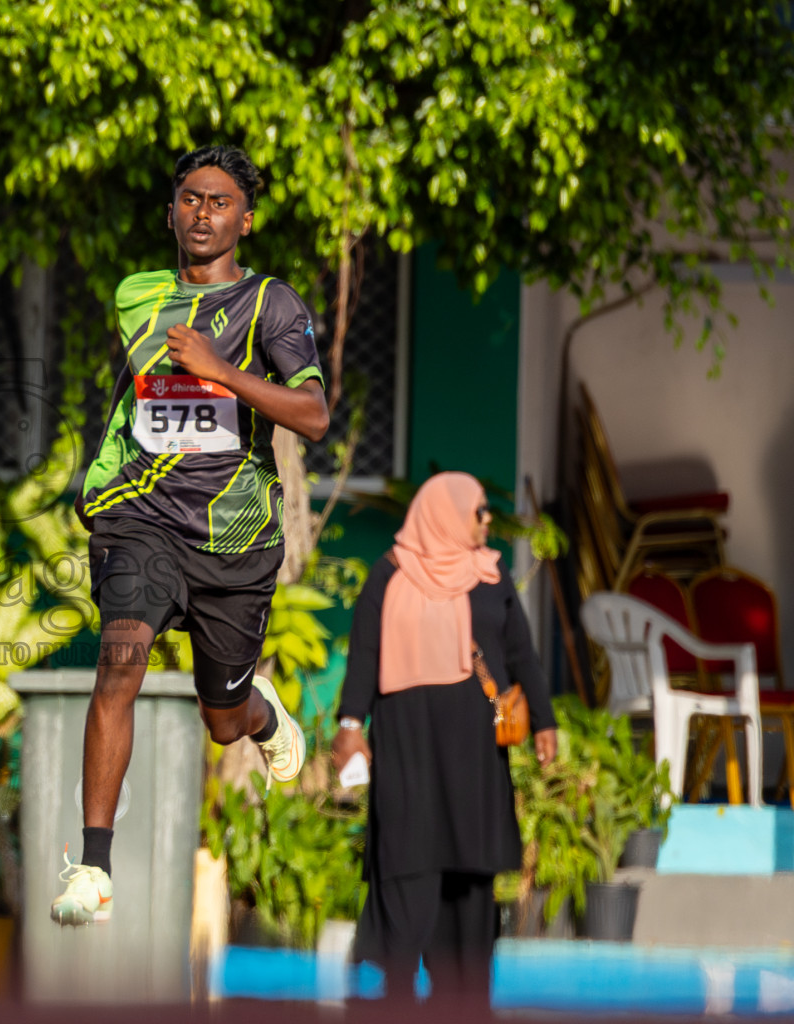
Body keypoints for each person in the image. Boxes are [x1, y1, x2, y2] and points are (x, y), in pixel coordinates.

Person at [51, 145, 330, 926]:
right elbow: (134, 393)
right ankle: (94, 869)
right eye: (190, 199)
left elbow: (312, 416)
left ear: (247, 217)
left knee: (220, 722)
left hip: (234, 537)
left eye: (220, 202)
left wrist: (219, 368)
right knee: (119, 667)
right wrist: (101, 483)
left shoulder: (273, 304)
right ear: (171, 211)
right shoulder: (138, 295)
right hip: (142, 517)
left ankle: (258, 714)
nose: (203, 213)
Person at [332, 472, 558, 1004]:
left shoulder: (491, 575)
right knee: (408, 853)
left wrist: (545, 722)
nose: (486, 521)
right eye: (477, 512)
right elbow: (364, 655)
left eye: (484, 512)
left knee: (470, 865)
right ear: (444, 512)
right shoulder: (389, 575)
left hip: (474, 752)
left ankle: (466, 997)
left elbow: (522, 653)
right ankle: (396, 990)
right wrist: (349, 725)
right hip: (407, 743)